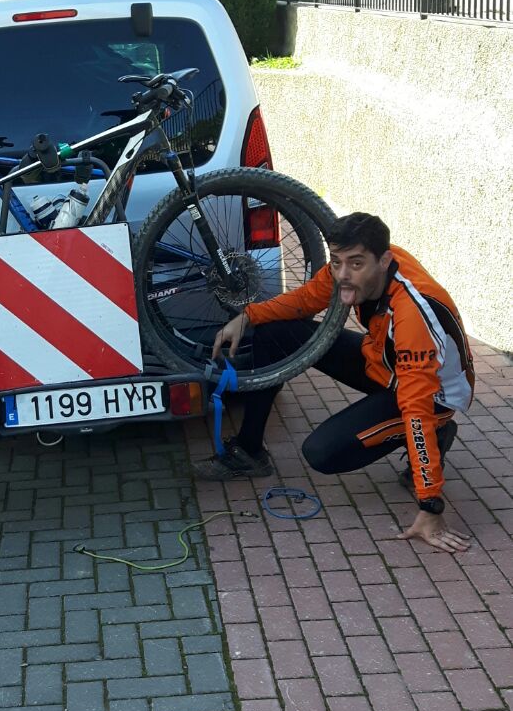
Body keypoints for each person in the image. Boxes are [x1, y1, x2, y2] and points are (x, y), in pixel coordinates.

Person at [196, 212, 474, 555]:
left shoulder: (412, 312)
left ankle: (439, 431)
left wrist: (430, 505)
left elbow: (416, 408)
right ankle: (249, 452)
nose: (342, 274)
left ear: (384, 260)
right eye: (337, 261)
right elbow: (305, 300)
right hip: (384, 363)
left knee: (323, 453)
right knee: (275, 331)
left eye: (355, 264)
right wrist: (248, 316)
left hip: (431, 396)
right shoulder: (357, 267)